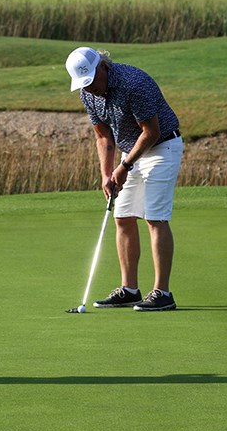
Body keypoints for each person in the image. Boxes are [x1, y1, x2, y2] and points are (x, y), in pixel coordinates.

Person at [65, 46, 184, 311]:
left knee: (154, 217)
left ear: (102, 68)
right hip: (130, 152)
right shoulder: (89, 94)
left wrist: (125, 166)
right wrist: (106, 174)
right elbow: (103, 137)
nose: (89, 88)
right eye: (84, 84)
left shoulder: (134, 83)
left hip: (162, 147)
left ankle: (163, 293)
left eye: (91, 81)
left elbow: (151, 132)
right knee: (123, 216)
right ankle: (129, 289)